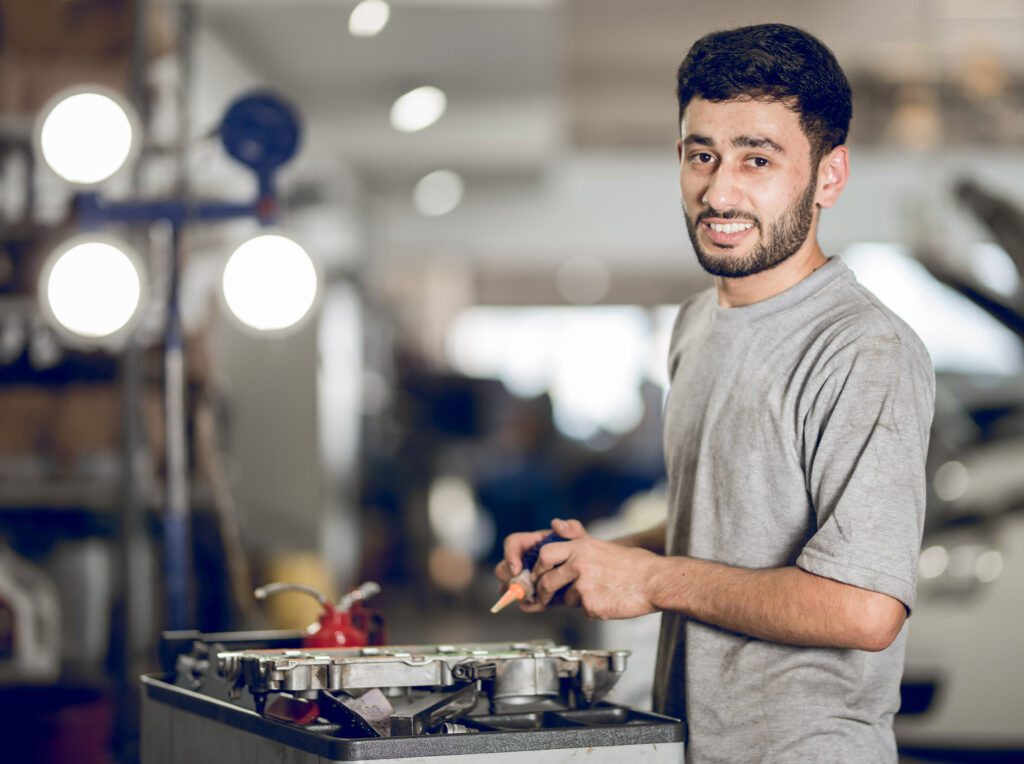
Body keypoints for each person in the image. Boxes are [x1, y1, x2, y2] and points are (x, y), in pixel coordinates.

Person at [495, 23, 935, 763]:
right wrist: (598, 559)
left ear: (829, 176)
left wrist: (652, 579)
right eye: (704, 155)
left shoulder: (864, 349)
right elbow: (735, 521)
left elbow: (866, 609)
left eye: (757, 159)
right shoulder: (698, 323)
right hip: (686, 743)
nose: (720, 190)